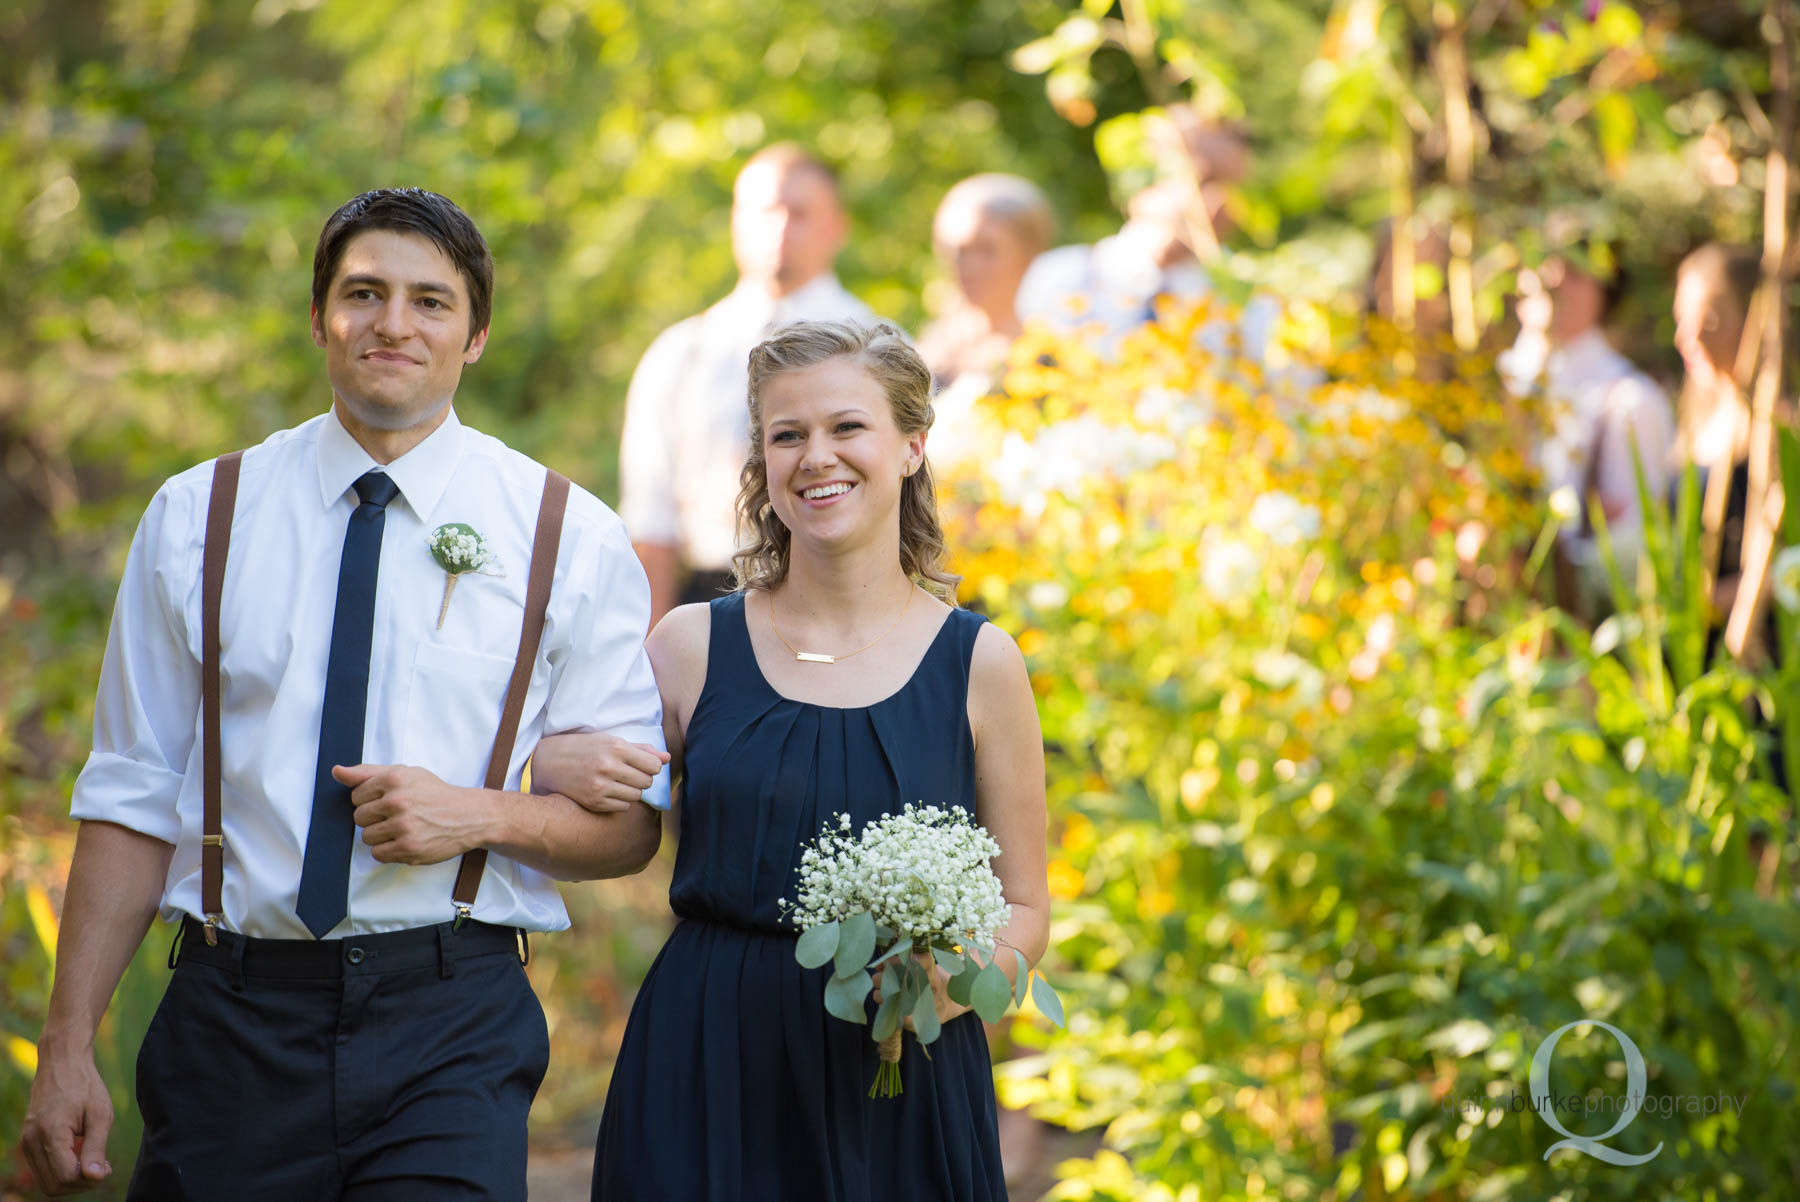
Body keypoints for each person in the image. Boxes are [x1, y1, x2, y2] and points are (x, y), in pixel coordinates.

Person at [19, 188, 672, 1200]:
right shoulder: (200, 515)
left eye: (430, 300)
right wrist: (66, 1048)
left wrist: (477, 814)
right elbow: (130, 795)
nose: (393, 324)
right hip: (229, 1019)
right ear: (321, 316)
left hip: (450, 1017)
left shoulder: (567, 534)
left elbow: (629, 828)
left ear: (478, 333)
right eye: (364, 293)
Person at [538, 320, 1051, 1200]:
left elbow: (1026, 907)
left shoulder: (982, 664)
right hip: (708, 1060)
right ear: (763, 461)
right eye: (787, 435)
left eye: (847, 427)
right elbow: (593, 807)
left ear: (912, 447)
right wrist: (554, 761)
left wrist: (944, 992)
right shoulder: (688, 647)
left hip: (902, 1078)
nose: (817, 456)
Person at [618, 144, 878, 627]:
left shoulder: (880, 351)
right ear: (736, 223)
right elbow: (652, 522)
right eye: (765, 212)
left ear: (837, 227)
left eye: (799, 213)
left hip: (847, 603)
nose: (780, 228)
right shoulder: (681, 353)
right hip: (709, 601)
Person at [1015, 107, 1279, 361]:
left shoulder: (1249, 305)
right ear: (1143, 183)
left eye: (1233, 189)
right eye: (1203, 180)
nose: (1218, 204)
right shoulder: (1061, 279)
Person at [1500, 252, 1675, 613]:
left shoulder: (1631, 402)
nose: (1555, 282)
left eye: (1575, 272)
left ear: (1605, 289)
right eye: (1544, 264)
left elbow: (1632, 554)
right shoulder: (1502, 384)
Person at [918, 173, 1056, 389]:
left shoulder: (1059, 352)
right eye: (959, 251)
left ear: (1029, 254)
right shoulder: (928, 358)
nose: (969, 266)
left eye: (987, 250)